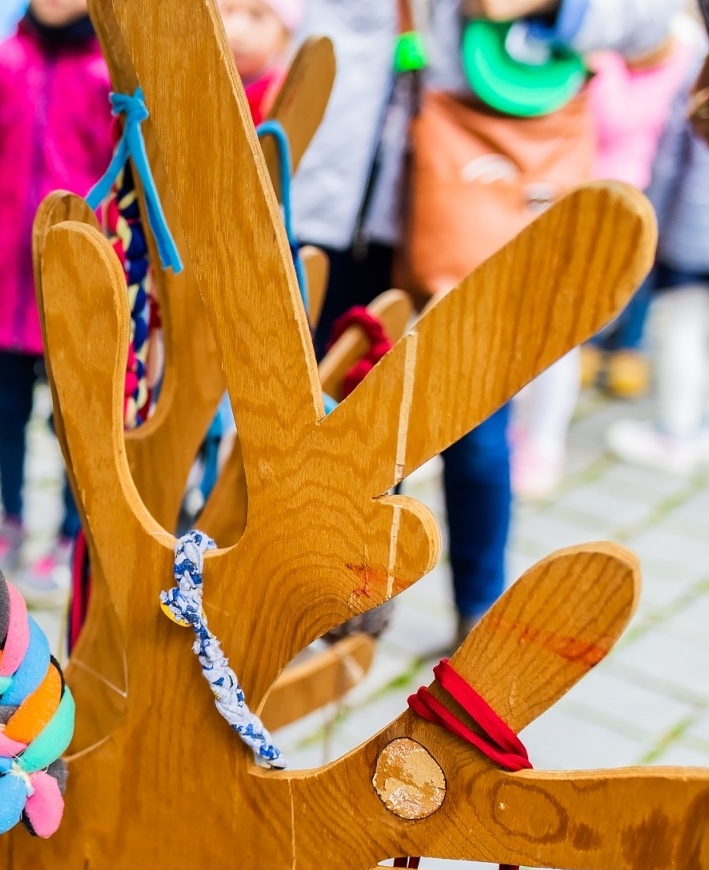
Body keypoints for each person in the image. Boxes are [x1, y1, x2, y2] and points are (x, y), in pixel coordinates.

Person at [293, 0, 675, 639]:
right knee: (337, 406)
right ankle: (331, 597)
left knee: (475, 423)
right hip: (341, 202)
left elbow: (653, 29)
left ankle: (477, 618)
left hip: (472, 202)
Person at [0, 0, 112, 602]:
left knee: (75, 419)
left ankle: (72, 533)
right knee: (4, 407)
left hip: (72, 283)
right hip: (6, 282)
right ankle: (11, 516)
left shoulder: (108, 75)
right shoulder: (6, 60)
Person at [608, 30, 709, 475]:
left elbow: (675, 153)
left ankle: (677, 434)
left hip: (697, 225)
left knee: (682, 328)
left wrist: (660, 224)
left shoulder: (699, 65)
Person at [579, 37, 694, 400]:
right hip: (594, 182)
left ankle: (625, 351)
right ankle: (591, 347)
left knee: (631, 275)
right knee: (595, 274)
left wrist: (603, 64)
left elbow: (616, 119)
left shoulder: (677, 54)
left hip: (635, 186)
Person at [220, 0, 302, 124]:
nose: (236, 30)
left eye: (256, 15)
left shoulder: (281, 92)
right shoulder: (203, 74)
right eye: (229, 10)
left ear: (283, 37)